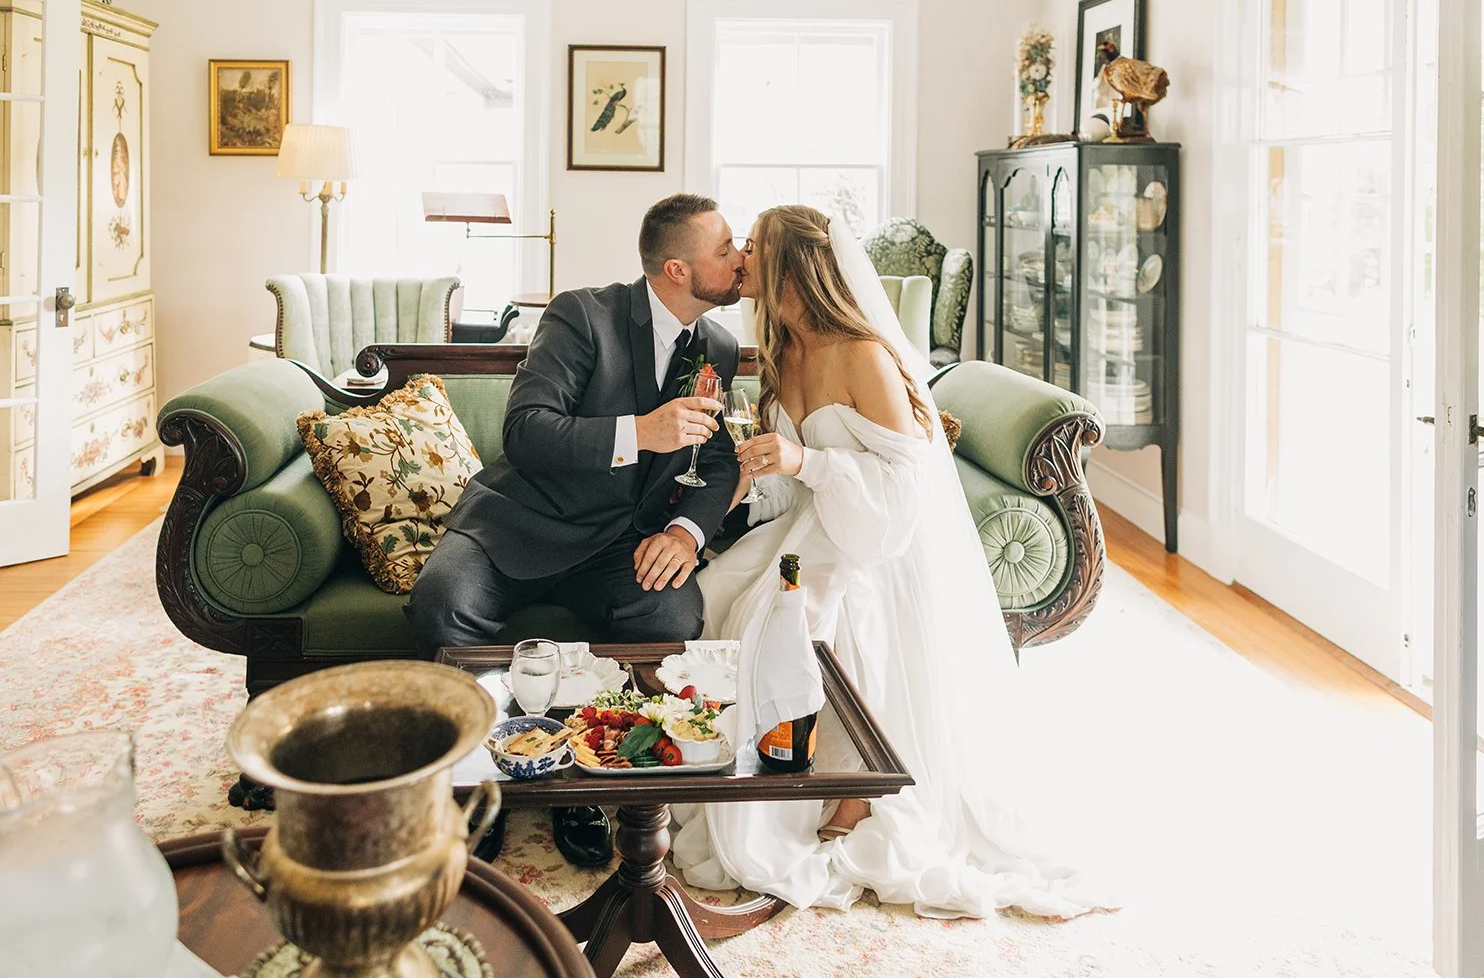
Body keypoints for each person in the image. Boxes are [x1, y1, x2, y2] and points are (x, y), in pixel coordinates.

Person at [670, 205, 1115, 920]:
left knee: (789, 616)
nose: (742, 256)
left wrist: (806, 461)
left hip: (879, 540)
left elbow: (907, 486)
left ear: (793, 266)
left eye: (754, 246)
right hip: (817, 523)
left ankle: (848, 792)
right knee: (716, 590)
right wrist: (747, 480)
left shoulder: (863, 355)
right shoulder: (780, 351)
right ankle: (750, 776)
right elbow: (788, 482)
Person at [407, 193, 744, 867]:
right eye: (726, 249)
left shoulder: (719, 347)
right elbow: (527, 431)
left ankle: (586, 781)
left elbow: (716, 459)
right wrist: (638, 433)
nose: (740, 261)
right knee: (440, 603)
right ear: (677, 270)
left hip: (618, 545)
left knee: (671, 613)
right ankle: (484, 784)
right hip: (519, 522)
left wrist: (684, 533)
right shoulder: (582, 315)